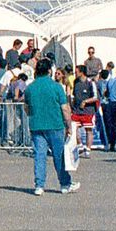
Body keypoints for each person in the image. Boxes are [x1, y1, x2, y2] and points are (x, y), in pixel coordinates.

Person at [25, 58, 77, 195]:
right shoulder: (56, 87)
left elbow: (27, 108)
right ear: (49, 71)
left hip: (36, 125)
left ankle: (39, 185)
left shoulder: (30, 88)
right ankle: (65, 184)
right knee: (59, 155)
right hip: (55, 124)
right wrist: (69, 125)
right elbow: (65, 108)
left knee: (39, 155)